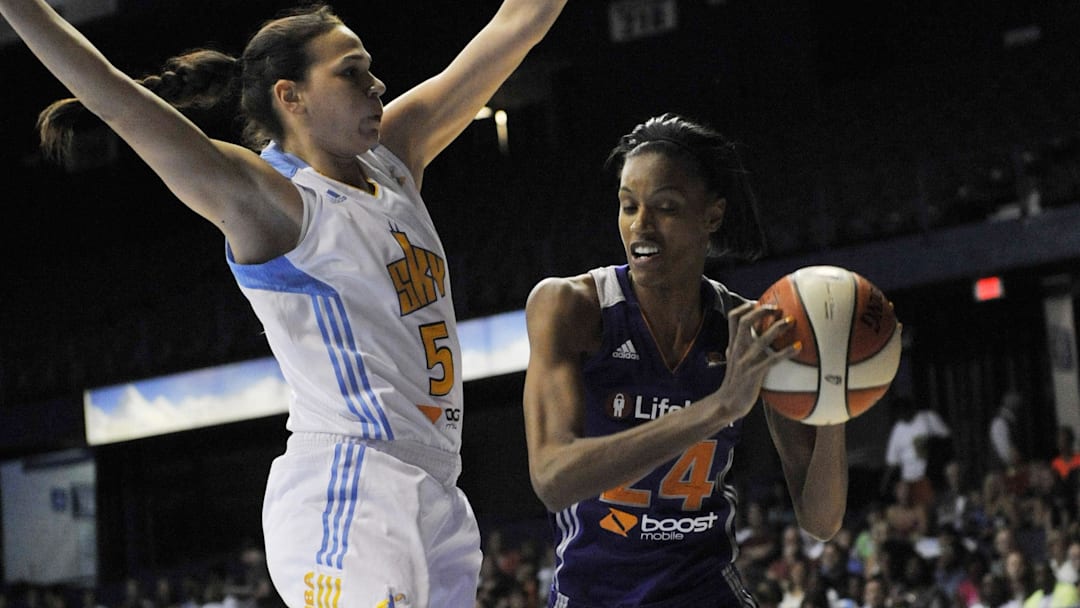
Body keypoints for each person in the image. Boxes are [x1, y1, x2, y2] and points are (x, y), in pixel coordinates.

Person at [0, 0, 568, 605]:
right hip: (351, 485)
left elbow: (515, 24)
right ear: (290, 96)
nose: (376, 83)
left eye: (369, 69)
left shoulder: (394, 162)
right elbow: (116, 98)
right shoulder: (275, 199)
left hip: (438, 490)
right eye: (350, 71)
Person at [521, 114, 850, 607]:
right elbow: (551, 478)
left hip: (704, 591)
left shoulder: (750, 329)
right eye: (628, 206)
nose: (641, 225)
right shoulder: (571, 307)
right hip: (595, 595)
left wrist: (835, 395)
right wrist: (718, 408)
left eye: (665, 207)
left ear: (711, 217)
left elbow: (821, 520)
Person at [883, 396, 952, 507]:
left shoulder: (927, 418)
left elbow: (946, 438)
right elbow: (892, 461)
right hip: (910, 479)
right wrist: (885, 484)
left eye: (904, 411)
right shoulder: (898, 429)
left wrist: (931, 444)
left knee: (932, 505)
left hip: (930, 474)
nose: (902, 415)